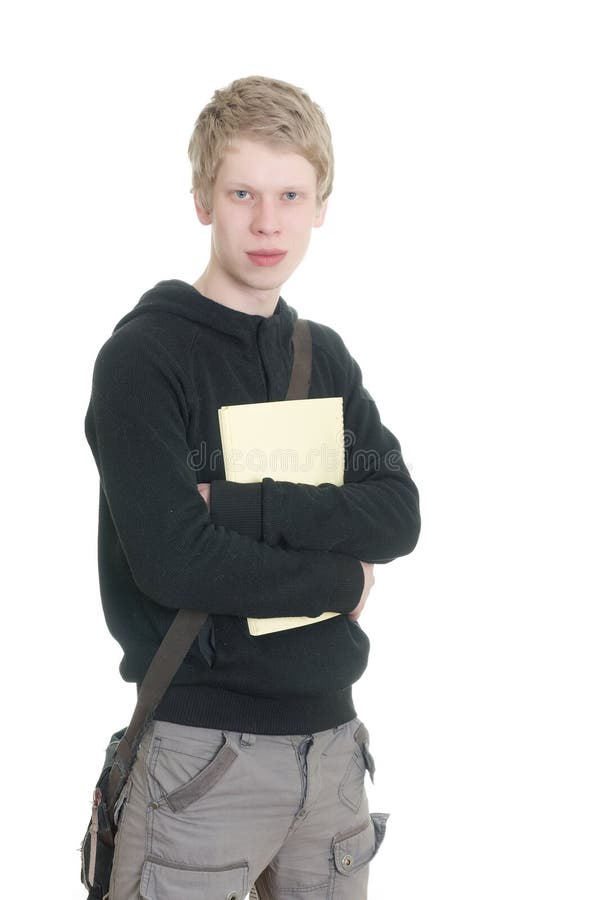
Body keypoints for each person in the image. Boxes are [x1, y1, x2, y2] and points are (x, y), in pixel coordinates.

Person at [84, 74, 420, 900]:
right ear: (204, 199)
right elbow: (175, 560)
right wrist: (340, 578)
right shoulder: (143, 360)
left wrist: (234, 502)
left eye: (290, 195)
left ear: (321, 205)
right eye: (242, 192)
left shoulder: (324, 357)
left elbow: (396, 514)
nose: (268, 222)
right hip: (203, 759)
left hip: (335, 752)